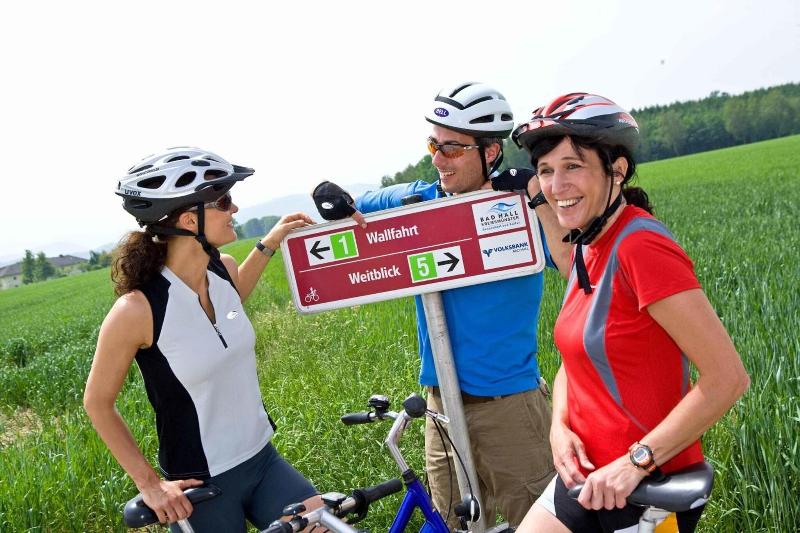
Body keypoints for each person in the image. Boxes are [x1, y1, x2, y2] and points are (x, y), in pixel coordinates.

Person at [312, 82, 570, 528]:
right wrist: (332, 199)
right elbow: (355, 206)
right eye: (434, 144)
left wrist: (536, 193)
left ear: (491, 152)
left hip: (510, 406)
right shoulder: (420, 201)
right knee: (449, 523)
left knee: (539, 522)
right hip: (440, 409)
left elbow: (571, 261)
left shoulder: (522, 209)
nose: (437, 159)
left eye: (451, 148)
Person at [511, 94, 750, 533]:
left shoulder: (640, 246)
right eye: (545, 170)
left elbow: (727, 378)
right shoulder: (586, 245)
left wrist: (635, 462)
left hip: (645, 489)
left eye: (572, 166)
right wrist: (558, 428)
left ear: (616, 171)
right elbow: (573, 362)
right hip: (585, 479)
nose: (556, 185)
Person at [83, 147, 319, 533]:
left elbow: (232, 299)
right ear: (190, 220)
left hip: (263, 461)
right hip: (201, 486)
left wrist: (271, 241)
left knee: (327, 524)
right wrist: (149, 484)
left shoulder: (223, 271)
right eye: (223, 201)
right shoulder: (138, 310)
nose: (235, 209)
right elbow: (97, 402)